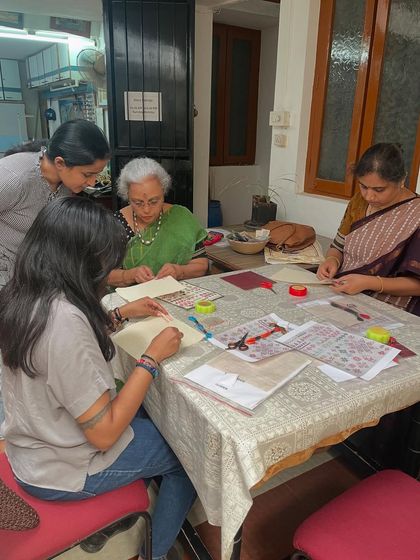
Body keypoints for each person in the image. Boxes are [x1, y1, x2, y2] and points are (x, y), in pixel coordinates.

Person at [0, 197, 196, 560]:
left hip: (32, 444)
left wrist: (119, 313)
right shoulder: (63, 324)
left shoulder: (26, 293)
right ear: (81, 263)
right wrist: (151, 357)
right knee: (191, 454)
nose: (109, 272)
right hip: (62, 468)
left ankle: (123, 508)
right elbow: (104, 432)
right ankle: (156, 553)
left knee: (155, 415)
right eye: (105, 264)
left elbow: (58, 358)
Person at [317, 143, 420, 316]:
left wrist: (370, 283)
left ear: (401, 181)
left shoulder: (416, 214)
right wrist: (332, 261)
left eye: (379, 190)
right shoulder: (359, 202)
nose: (369, 196)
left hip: (393, 307)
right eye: (363, 186)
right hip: (343, 293)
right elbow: (338, 246)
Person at [108, 157, 208, 286]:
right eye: (138, 203)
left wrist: (179, 271)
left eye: (154, 201)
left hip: (174, 296)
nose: (146, 209)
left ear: (163, 191)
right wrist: (131, 275)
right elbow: (105, 275)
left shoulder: (181, 217)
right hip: (131, 302)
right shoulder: (115, 224)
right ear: (127, 196)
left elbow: (201, 265)